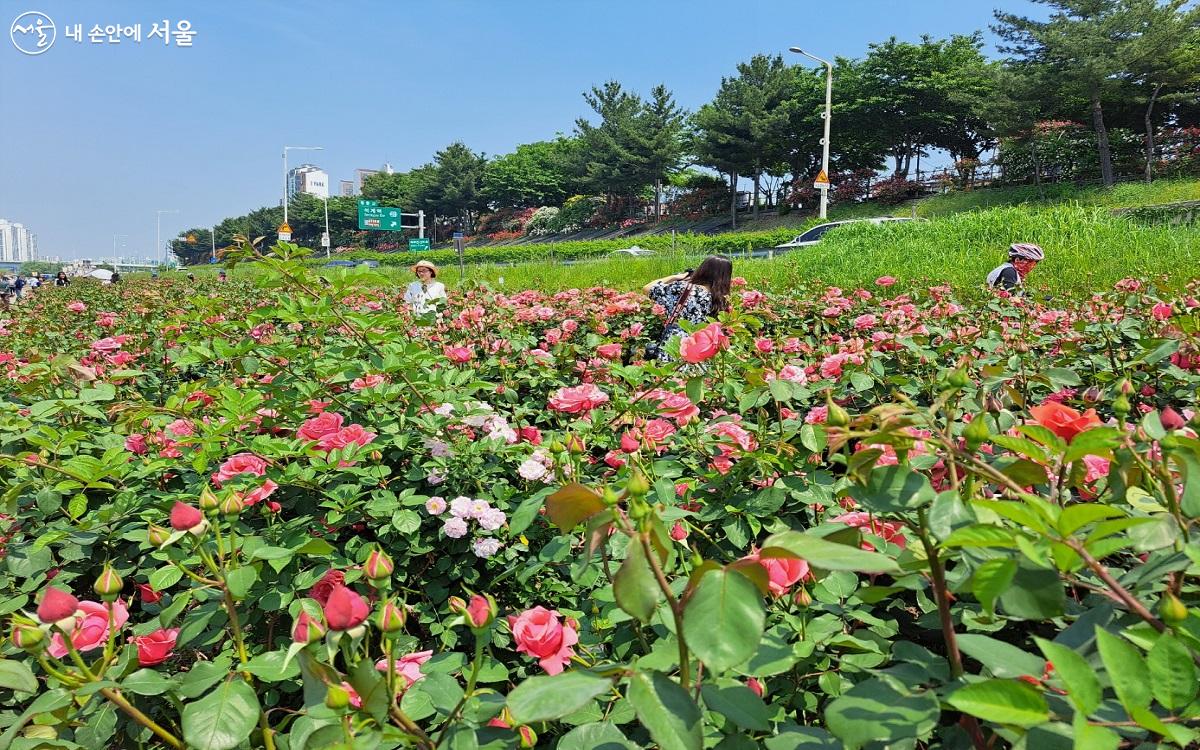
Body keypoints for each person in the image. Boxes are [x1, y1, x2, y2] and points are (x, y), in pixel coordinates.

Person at [643, 255, 733, 361]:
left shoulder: (683, 289)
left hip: (676, 344)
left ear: (702, 270)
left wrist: (675, 277)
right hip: (702, 347)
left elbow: (647, 288)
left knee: (673, 375)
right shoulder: (722, 300)